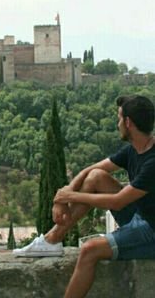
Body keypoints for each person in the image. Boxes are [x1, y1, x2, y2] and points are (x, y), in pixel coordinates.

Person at [13, 95, 155, 298]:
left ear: (128, 122)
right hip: (141, 216)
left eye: (118, 118)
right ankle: (53, 239)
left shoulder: (152, 162)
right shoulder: (136, 148)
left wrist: (71, 196)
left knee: (89, 251)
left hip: (151, 232)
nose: (117, 124)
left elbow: (118, 201)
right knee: (96, 177)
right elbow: (93, 169)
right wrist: (63, 195)